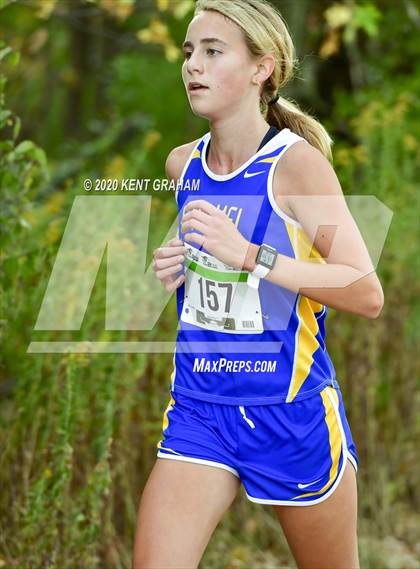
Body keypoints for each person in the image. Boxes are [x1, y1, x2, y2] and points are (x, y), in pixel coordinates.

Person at [133, 1, 384, 567]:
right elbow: (212, 274)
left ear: (261, 68)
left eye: (214, 51)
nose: (193, 64)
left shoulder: (297, 166)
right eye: (190, 51)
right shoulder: (182, 166)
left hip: (290, 414)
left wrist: (249, 255)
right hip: (201, 408)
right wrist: (175, 266)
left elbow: (366, 293)